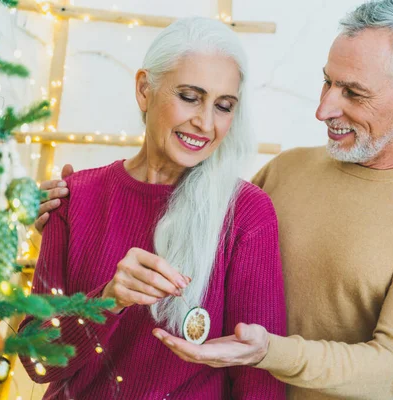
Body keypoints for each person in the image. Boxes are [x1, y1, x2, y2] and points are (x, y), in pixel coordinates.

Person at [38, 1, 393, 399]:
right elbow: (193, 219)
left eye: (353, 93)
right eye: (327, 82)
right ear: (144, 89)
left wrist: (269, 351)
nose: (322, 109)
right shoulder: (286, 171)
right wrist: (67, 222)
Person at [20, 16, 286, 400]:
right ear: (145, 89)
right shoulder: (73, 197)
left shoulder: (246, 214)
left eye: (224, 106)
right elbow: (36, 360)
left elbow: (259, 384)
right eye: (190, 97)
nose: (205, 122)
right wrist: (107, 300)